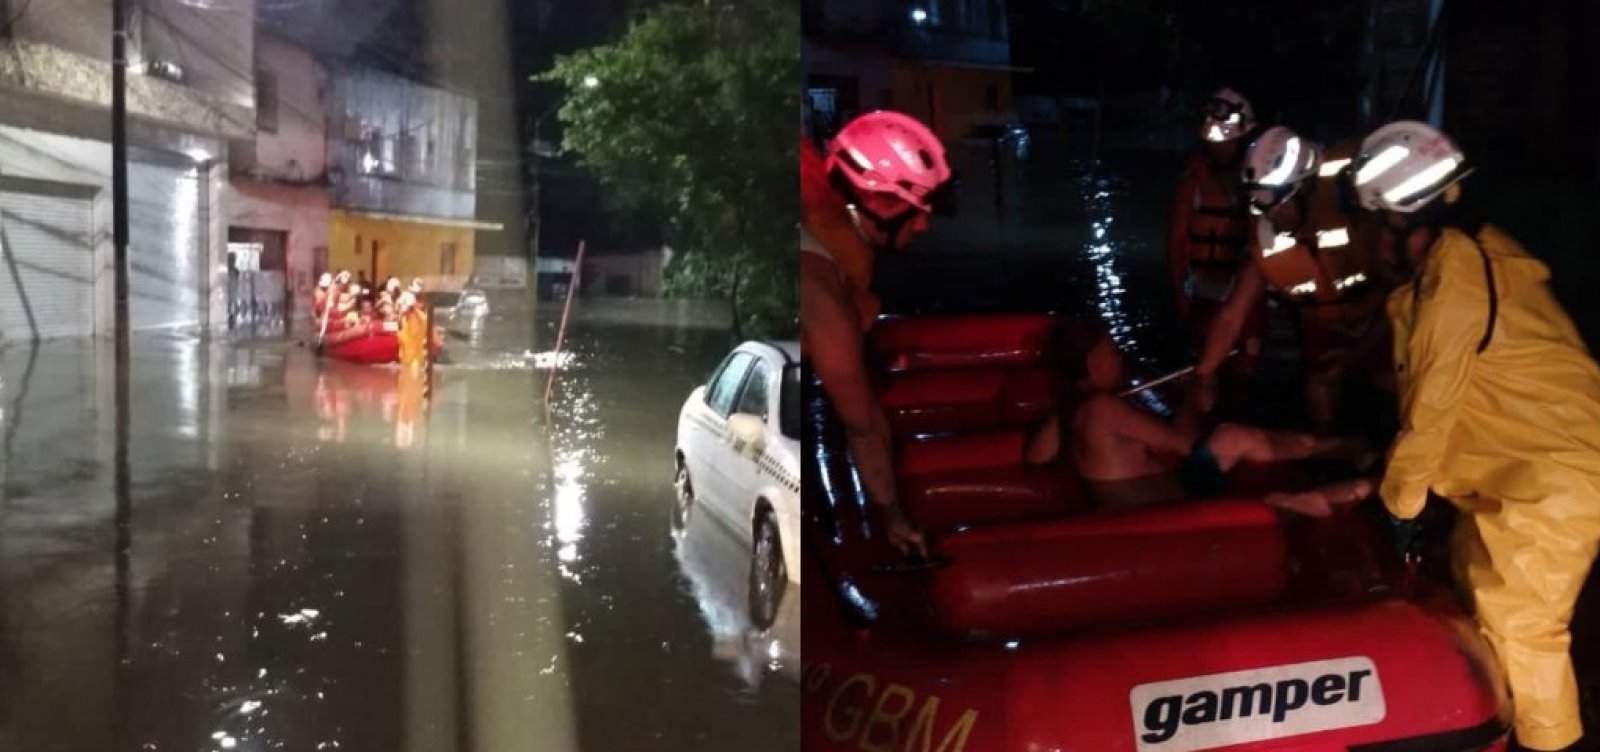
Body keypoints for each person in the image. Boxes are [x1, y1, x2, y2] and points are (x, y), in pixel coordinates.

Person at [1352, 120, 1600, 752]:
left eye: (1377, 225)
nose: (1371, 242)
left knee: (1524, 627)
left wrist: (1399, 506)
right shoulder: (1466, 259)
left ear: (1403, 221)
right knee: (1474, 592)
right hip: (1515, 477)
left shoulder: (1456, 276)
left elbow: (1433, 407)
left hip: (1554, 481)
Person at [801, 112, 954, 559]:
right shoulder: (824, 302)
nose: (924, 225)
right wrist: (894, 517)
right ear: (879, 204)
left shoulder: (818, 211)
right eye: (918, 210)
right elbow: (862, 426)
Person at [1024, 324, 1373, 516]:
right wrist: (1195, 396)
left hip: (1138, 508)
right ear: (1093, 363)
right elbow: (1187, 443)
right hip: (1165, 512)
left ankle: (1342, 449)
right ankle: (1347, 448)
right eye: (1111, 351)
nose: (1118, 357)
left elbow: (1036, 458)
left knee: (1224, 438)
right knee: (1232, 437)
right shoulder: (1102, 407)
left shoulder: (1071, 409)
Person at [1193, 125, 1399, 432]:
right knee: (1319, 390)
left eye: (1279, 203)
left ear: (1305, 187)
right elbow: (1232, 315)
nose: (1272, 216)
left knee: (1391, 387)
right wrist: (1204, 375)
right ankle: (1335, 458)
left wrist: (1355, 356)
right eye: (1262, 205)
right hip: (1324, 324)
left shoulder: (1358, 208)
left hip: (1383, 317)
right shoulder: (1265, 234)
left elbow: (1401, 294)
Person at [1169, 87, 1265, 364]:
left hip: (1245, 296)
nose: (1219, 148)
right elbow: (1176, 242)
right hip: (1204, 293)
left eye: (1226, 141)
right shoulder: (1193, 181)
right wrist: (1180, 297)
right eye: (1214, 142)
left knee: (1246, 365)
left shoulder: (1259, 184)